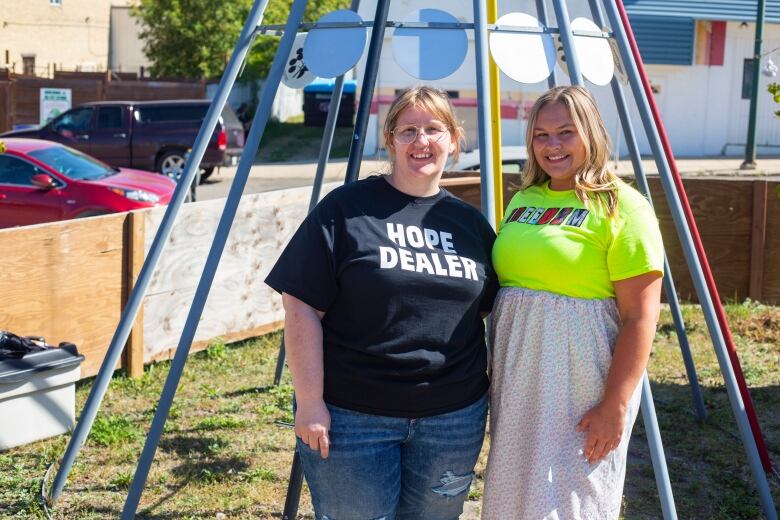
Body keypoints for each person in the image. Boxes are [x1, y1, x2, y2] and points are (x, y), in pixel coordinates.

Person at [265, 86, 498, 519]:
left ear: (453, 139)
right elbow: (300, 307)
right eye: (408, 130)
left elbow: (483, 310)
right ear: (389, 140)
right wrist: (310, 402)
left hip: (452, 420)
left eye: (433, 129)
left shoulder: (470, 224)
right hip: (353, 418)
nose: (421, 141)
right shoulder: (347, 210)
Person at [482, 86, 664, 519]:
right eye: (541, 135)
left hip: (581, 381)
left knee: (570, 501)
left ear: (592, 133)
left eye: (566, 132)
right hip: (519, 375)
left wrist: (614, 405)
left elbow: (640, 317)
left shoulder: (624, 207)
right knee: (513, 493)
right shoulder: (524, 200)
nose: (552, 146)